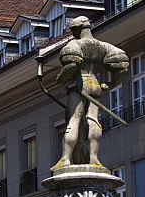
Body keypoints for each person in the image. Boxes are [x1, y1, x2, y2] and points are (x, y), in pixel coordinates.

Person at [54, 16, 129, 168]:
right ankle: (94, 158)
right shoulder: (103, 46)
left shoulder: (74, 44)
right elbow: (122, 66)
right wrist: (111, 83)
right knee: (93, 120)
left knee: (74, 120)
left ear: (77, 29)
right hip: (95, 84)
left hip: (79, 84)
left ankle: (66, 159)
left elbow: (72, 65)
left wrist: (61, 79)